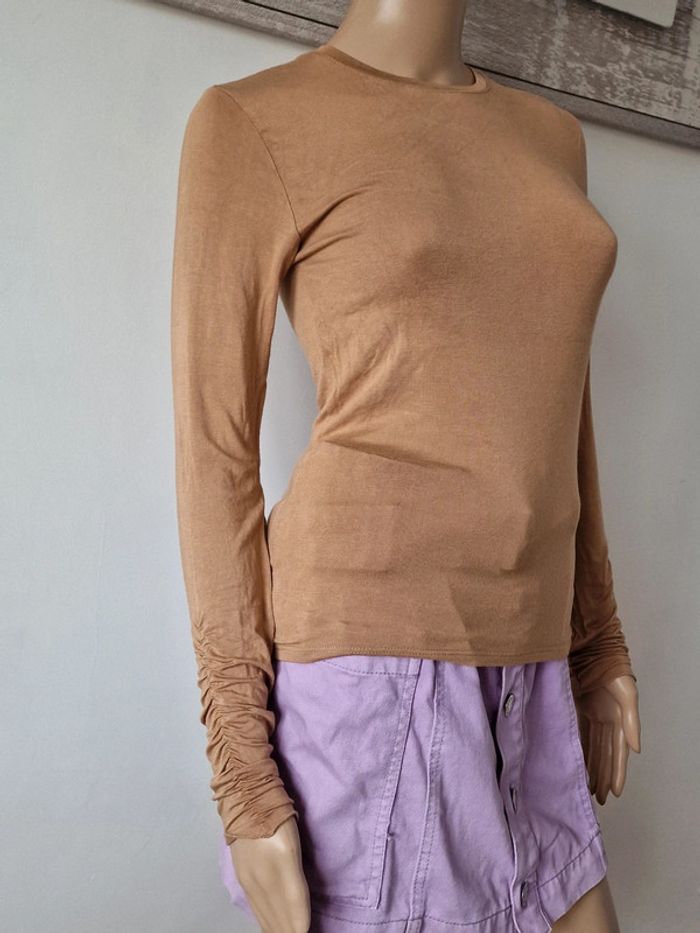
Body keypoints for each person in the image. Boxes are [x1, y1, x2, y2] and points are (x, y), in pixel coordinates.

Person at [170, 2, 641, 930]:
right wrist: (243, 773)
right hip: (374, 670)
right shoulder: (251, 122)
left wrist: (597, 639)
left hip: (534, 655)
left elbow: (562, 401)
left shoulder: (554, 137)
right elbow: (213, 456)